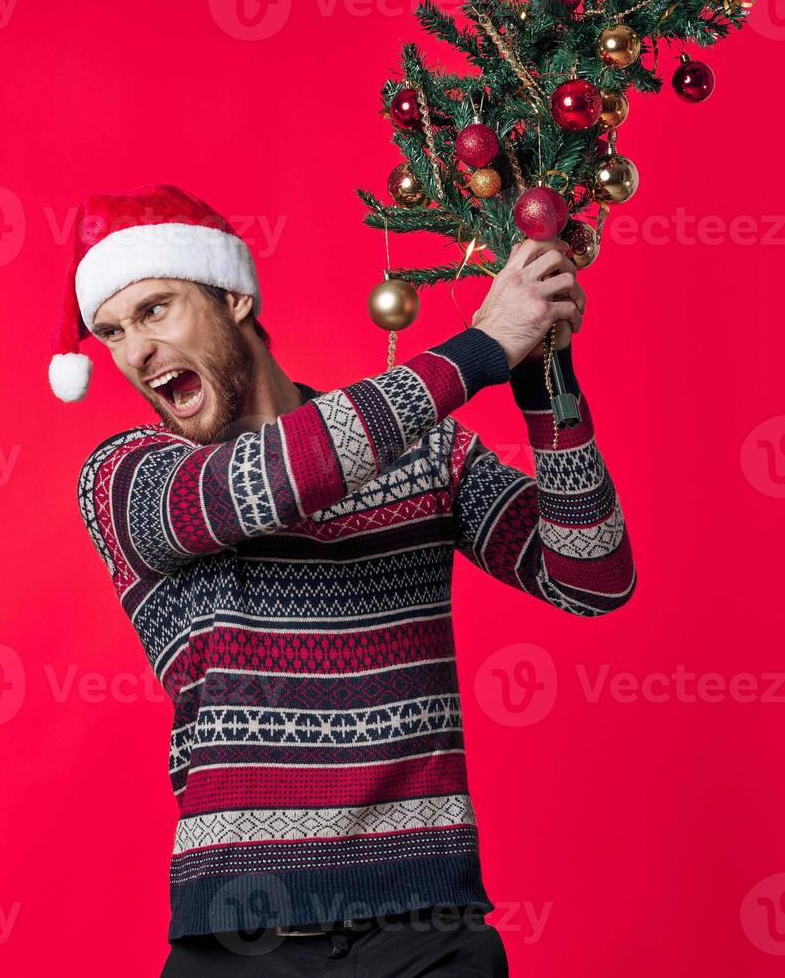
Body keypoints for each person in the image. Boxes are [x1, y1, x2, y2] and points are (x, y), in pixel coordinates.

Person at [53, 185, 635, 976]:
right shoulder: (128, 478)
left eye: (156, 311)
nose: (135, 353)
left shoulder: (424, 451)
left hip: (426, 926)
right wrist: (482, 348)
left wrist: (545, 382)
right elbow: (272, 480)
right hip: (233, 940)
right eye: (112, 333)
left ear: (232, 296)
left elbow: (592, 575)